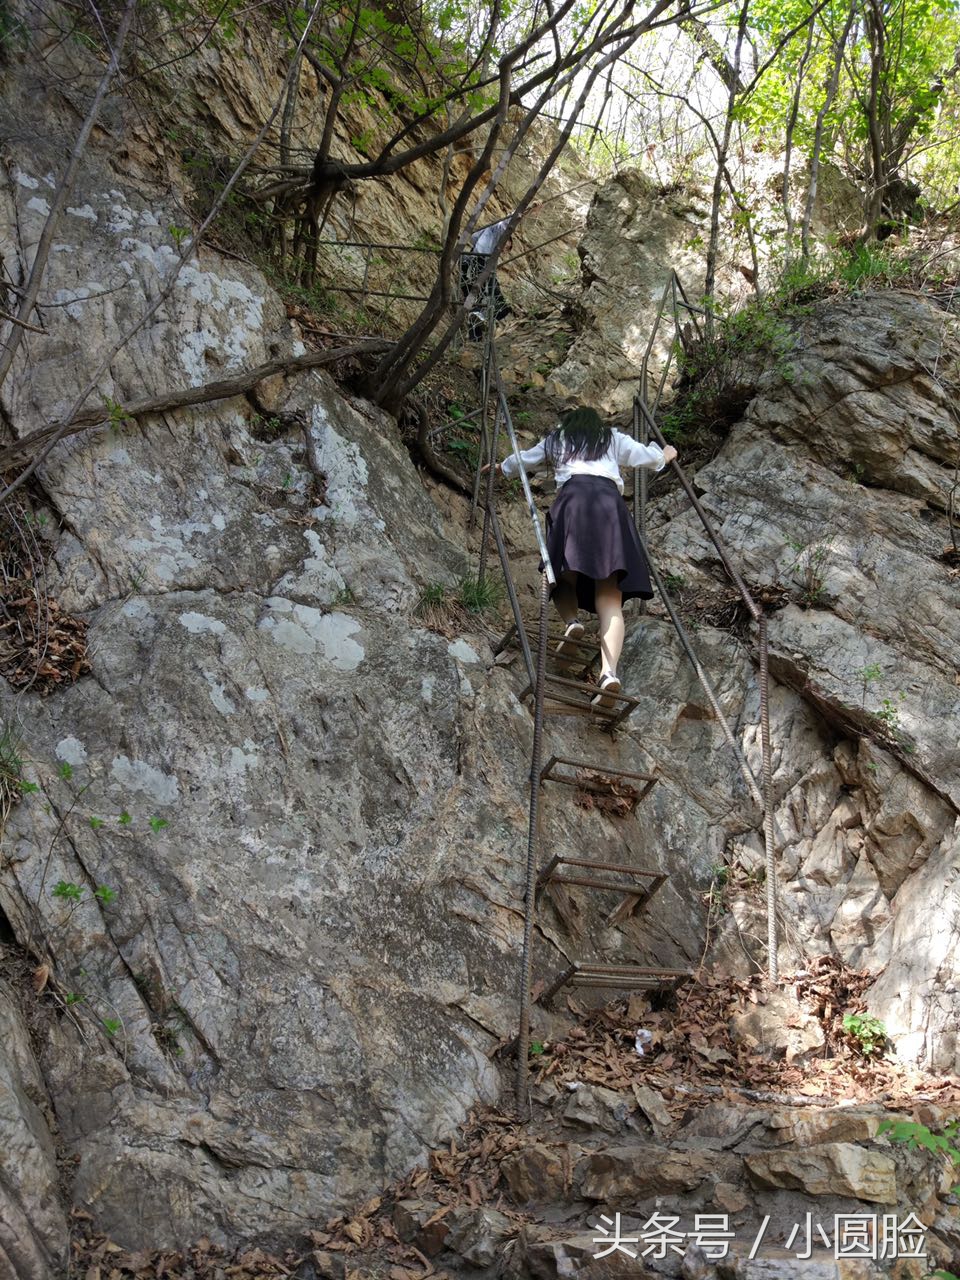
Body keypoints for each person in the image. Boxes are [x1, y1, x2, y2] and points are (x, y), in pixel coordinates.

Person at [486, 406, 677, 707]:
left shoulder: (558, 438)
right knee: (610, 597)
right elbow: (646, 457)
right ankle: (609, 674)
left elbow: (526, 459)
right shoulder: (611, 437)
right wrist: (664, 454)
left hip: (573, 500)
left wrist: (501, 468)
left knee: (562, 575)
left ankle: (572, 622)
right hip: (609, 506)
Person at [459, 203, 541, 340]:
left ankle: (476, 335)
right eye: (506, 246)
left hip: (474, 265)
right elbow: (511, 218)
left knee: (480, 302)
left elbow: (474, 238)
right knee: (490, 295)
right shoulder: (497, 231)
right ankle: (487, 314)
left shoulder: (490, 247)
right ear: (505, 237)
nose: (504, 250)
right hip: (477, 261)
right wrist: (529, 208)